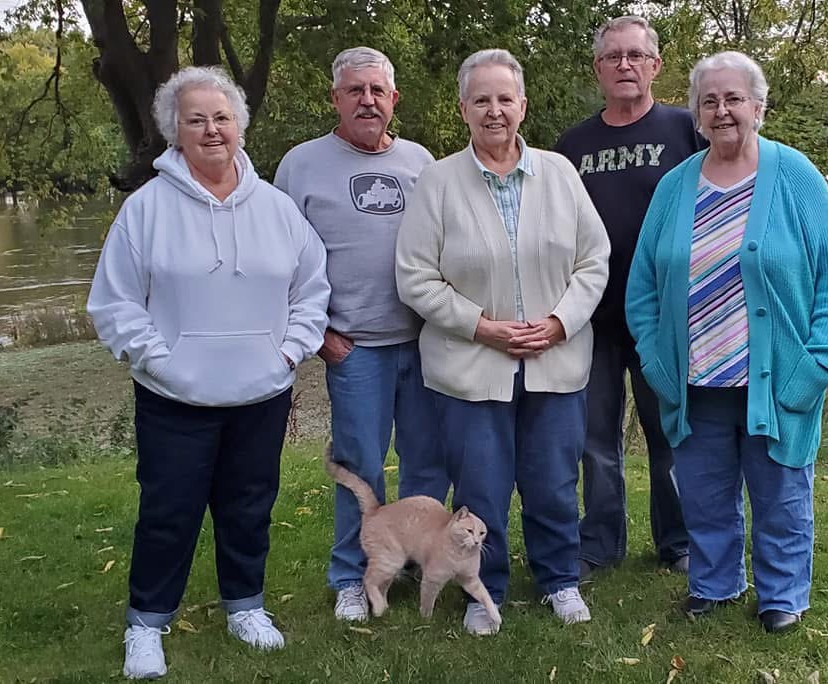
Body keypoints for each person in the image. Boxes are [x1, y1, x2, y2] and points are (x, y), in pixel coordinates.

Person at [87, 66, 330, 678]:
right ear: (175, 130)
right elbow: (115, 303)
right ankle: (147, 624)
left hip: (261, 392)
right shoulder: (145, 210)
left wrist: (288, 353)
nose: (211, 129)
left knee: (249, 507)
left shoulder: (277, 209)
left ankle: (246, 606)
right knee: (168, 512)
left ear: (240, 125)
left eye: (222, 117)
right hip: (174, 397)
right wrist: (159, 359)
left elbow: (312, 290)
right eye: (196, 119)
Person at [625, 51, 828, 633]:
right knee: (703, 493)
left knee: (780, 494)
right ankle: (714, 583)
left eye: (733, 99)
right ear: (697, 114)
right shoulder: (675, 186)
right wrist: (656, 361)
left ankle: (782, 595)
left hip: (776, 378)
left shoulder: (795, 175)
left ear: (758, 106)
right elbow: (642, 286)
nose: (722, 111)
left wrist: (819, 361)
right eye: (710, 101)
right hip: (695, 379)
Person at [396, 49, 610, 636]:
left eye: (505, 99)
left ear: (523, 106)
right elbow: (415, 277)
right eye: (482, 100)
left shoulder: (559, 174)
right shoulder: (439, 181)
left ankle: (559, 579)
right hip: (470, 364)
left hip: (555, 360)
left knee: (554, 482)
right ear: (463, 109)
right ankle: (482, 590)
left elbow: (594, 261)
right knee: (480, 489)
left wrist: (561, 322)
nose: (495, 111)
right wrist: (481, 326)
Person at [274, 47, 449, 623]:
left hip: (424, 342)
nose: (367, 101)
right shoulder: (301, 165)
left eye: (377, 91)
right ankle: (351, 576)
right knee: (360, 468)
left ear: (394, 99)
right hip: (354, 349)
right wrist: (319, 335)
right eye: (355, 90)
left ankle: (420, 562)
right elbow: (278, 259)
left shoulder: (421, 162)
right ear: (336, 98)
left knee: (428, 464)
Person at [554, 16, 703, 577]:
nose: (624, 65)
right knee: (595, 439)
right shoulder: (573, 145)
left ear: (655, 65)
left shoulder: (686, 129)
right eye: (613, 56)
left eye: (635, 55)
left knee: (670, 433)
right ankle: (599, 542)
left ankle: (679, 541)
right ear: (598, 68)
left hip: (664, 315)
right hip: (590, 316)